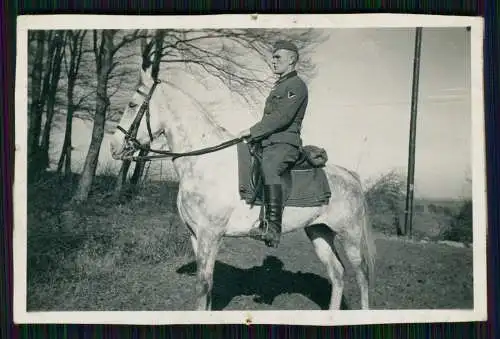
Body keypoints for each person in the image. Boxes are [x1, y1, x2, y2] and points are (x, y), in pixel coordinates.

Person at [237, 40, 309, 248]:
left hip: (285, 143)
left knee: (269, 166)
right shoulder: (281, 85)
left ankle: (273, 228)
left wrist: (252, 131)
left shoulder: (295, 86)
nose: (273, 61)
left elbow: (282, 117)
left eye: (278, 57)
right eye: (273, 56)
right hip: (270, 141)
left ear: (292, 59)